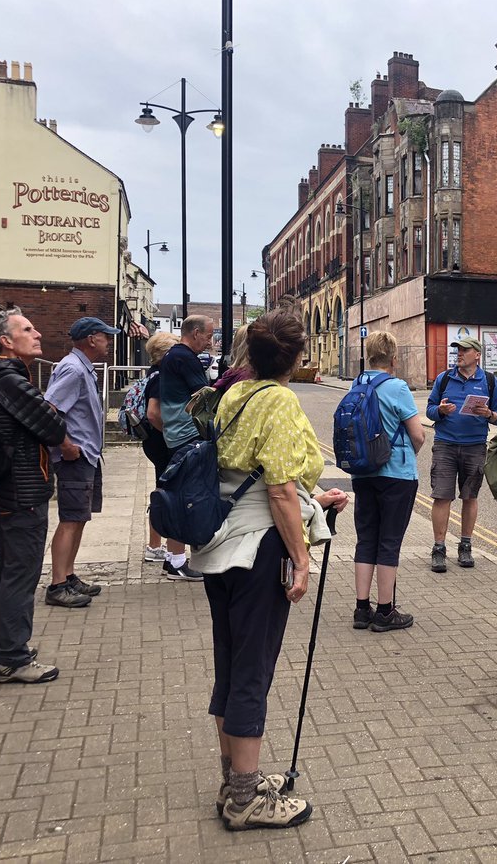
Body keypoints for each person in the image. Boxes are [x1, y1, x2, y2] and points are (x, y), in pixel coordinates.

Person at [194, 311, 348, 830]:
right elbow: (279, 489)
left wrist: (313, 498)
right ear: (296, 357)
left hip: (222, 546)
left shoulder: (236, 393)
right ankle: (245, 800)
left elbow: (257, 478)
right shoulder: (279, 400)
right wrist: (301, 560)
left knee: (232, 664)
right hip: (261, 550)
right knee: (253, 672)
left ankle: (234, 777)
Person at [0, 308, 67, 684]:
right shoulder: (9, 381)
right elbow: (54, 427)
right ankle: (12, 657)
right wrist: (50, 412)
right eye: (27, 329)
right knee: (20, 574)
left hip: (10, 486)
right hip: (23, 487)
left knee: (5, 568)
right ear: (6, 342)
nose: (37, 333)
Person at [349, 331, 425, 632]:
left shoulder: (358, 384)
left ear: (368, 356)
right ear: (394, 358)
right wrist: (409, 454)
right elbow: (418, 434)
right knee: (389, 542)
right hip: (396, 475)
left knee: (366, 538)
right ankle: (384, 611)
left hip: (363, 472)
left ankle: (361, 608)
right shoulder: (397, 387)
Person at [42, 316, 118, 607]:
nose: (108, 341)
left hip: (85, 454)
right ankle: (57, 584)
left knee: (79, 518)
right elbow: (50, 409)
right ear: (91, 339)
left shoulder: (81, 368)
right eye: (105, 336)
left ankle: (69, 576)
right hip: (75, 455)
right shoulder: (73, 369)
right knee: (71, 520)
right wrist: (65, 445)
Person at [424, 337, 497, 573]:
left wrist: (488, 413)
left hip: (475, 445)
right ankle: (439, 548)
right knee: (442, 496)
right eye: (457, 350)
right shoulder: (444, 378)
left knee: (470, 496)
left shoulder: (489, 381)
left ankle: (465, 546)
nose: (459, 354)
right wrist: (439, 410)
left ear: (477, 355)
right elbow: (429, 410)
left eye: (464, 350)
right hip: (445, 444)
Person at [157, 314, 216, 581]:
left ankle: (174, 559)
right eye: (208, 335)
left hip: (176, 434)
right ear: (194, 333)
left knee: (181, 493)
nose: (210, 341)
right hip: (187, 435)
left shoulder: (173, 356)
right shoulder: (184, 358)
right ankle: (177, 561)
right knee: (186, 497)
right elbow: (204, 394)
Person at [141, 332, 179, 564]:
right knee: (165, 494)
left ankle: (155, 545)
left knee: (162, 491)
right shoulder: (160, 376)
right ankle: (155, 546)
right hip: (162, 441)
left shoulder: (153, 374)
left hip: (156, 441)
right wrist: (172, 433)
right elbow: (153, 414)